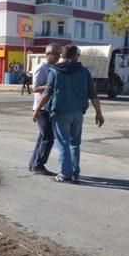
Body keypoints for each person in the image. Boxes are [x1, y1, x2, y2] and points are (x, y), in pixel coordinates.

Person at [33, 44, 104, 184]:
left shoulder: (55, 71)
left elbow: (47, 93)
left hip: (60, 112)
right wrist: (99, 113)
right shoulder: (84, 72)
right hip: (78, 112)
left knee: (63, 143)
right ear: (75, 56)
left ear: (63, 56)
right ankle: (74, 173)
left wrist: (36, 110)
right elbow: (93, 94)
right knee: (74, 144)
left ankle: (65, 174)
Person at [29, 43, 61, 175]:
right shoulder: (41, 67)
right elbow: (35, 88)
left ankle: (34, 164)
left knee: (42, 137)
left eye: (60, 54)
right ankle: (39, 165)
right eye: (57, 54)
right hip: (41, 108)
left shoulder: (54, 67)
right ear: (49, 54)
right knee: (48, 137)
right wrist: (50, 85)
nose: (59, 57)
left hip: (50, 107)